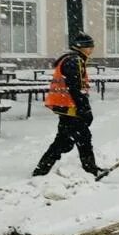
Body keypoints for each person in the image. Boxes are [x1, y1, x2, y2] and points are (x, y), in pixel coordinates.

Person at [32, 31, 103, 177]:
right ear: (81, 47)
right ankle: (91, 170)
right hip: (70, 106)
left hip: (64, 106)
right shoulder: (74, 61)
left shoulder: (72, 59)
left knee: (63, 141)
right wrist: (84, 109)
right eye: (89, 46)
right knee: (83, 138)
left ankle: (41, 170)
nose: (92, 50)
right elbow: (75, 87)